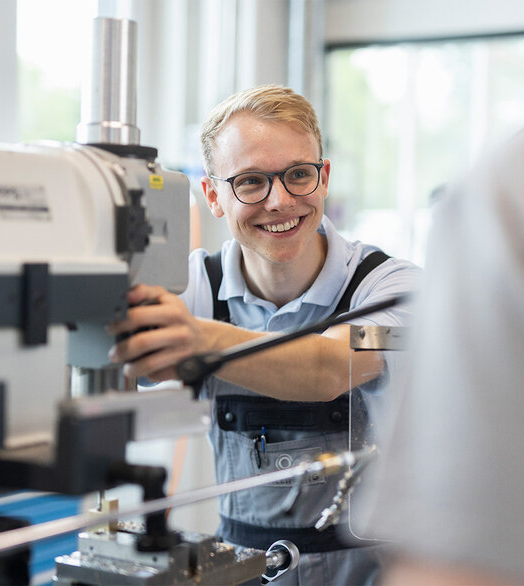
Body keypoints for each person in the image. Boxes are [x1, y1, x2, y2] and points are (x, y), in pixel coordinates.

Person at [107, 84, 420, 585]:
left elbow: (333, 367)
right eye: (251, 182)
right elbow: (107, 360)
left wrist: (201, 341)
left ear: (324, 178)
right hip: (243, 570)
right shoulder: (194, 290)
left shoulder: (392, 292)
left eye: (299, 174)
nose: (280, 201)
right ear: (213, 196)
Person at [357, 130, 524, 586]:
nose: (279, 200)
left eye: (298, 175)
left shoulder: (391, 282)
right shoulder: (203, 280)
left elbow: (346, 354)